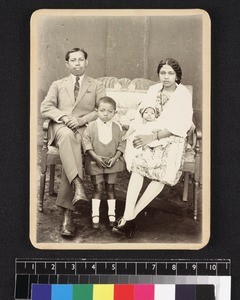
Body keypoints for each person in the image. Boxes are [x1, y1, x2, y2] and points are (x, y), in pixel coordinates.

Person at [113, 58, 193, 237]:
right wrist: (134, 134)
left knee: (161, 175)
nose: (166, 77)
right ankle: (128, 217)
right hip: (148, 132)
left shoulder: (183, 94)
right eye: (163, 73)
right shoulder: (153, 90)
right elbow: (141, 115)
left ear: (177, 75)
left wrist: (153, 136)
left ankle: (129, 217)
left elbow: (181, 125)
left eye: (170, 73)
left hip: (172, 137)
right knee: (138, 168)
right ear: (159, 74)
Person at [40, 48, 106, 237]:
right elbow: (46, 107)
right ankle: (78, 183)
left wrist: (81, 120)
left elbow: (101, 109)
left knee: (75, 141)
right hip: (61, 127)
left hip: (84, 128)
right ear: (67, 64)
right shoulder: (58, 84)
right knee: (69, 137)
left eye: (81, 60)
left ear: (87, 62)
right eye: (73, 60)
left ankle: (68, 214)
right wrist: (63, 117)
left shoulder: (96, 85)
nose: (77, 63)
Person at [82, 96, 126, 229]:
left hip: (112, 162)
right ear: (97, 111)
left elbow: (122, 143)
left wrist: (115, 157)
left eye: (110, 111)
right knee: (98, 188)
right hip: (96, 162)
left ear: (115, 112)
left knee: (111, 188)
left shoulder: (117, 127)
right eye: (102, 111)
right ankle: (95, 215)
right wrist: (95, 157)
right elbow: (86, 141)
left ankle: (111, 214)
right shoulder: (91, 126)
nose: (106, 114)